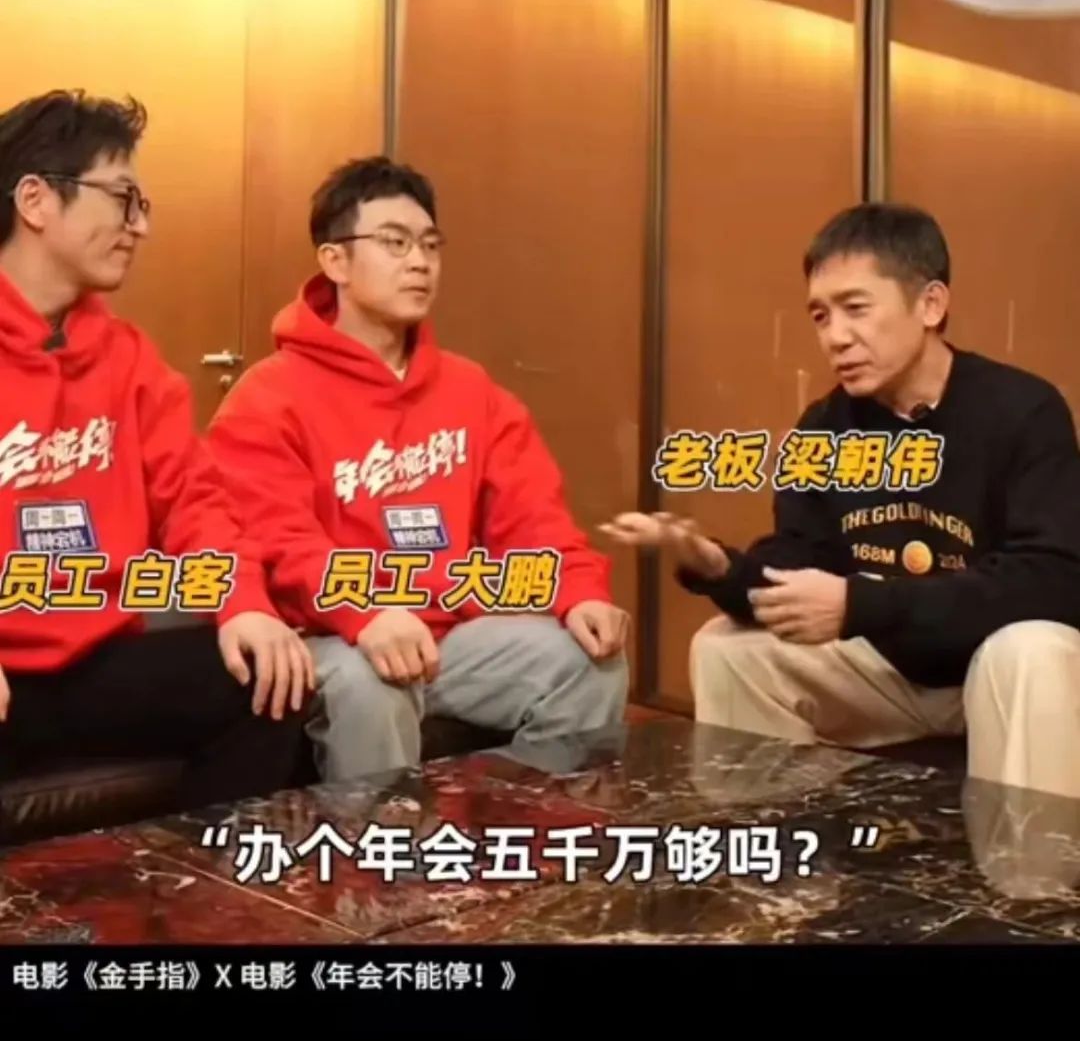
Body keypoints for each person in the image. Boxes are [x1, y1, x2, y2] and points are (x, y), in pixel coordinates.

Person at [602, 202, 1080, 798]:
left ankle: (1031, 860)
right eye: (820, 316)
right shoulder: (826, 426)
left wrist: (860, 604)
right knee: (727, 649)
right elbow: (799, 563)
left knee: (1029, 649)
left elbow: (1050, 582)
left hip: (997, 672)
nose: (835, 337)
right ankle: (783, 852)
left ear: (931, 304)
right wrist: (716, 565)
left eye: (856, 308)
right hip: (890, 668)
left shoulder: (1022, 410)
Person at [206, 156, 629, 781]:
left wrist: (578, 592)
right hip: (330, 635)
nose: (419, 262)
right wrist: (365, 613)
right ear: (335, 261)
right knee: (371, 683)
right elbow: (277, 540)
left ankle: (519, 831)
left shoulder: (470, 390)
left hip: (448, 636)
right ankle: (380, 846)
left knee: (589, 662)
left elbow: (533, 515)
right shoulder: (268, 396)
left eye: (430, 245)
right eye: (394, 243)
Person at [0, 90, 313, 818]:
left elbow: (195, 502)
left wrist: (244, 604)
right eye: (122, 198)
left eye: (140, 204)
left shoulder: (128, 358)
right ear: (36, 200)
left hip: (94, 656)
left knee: (267, 681)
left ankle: (193, 884)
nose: (138, 225)